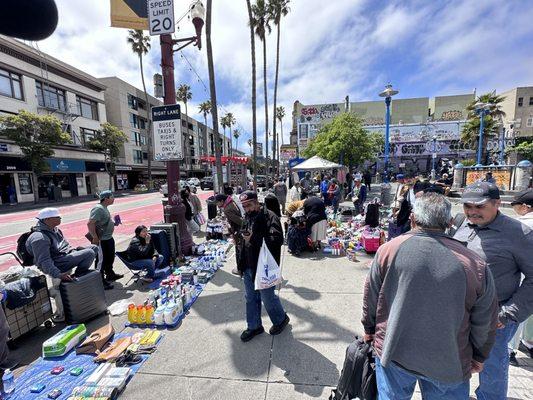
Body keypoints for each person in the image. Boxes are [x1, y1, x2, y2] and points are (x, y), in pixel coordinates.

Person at [363, 193, 498, 399]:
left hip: (394, 351)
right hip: (449, 360)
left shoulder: (388, 250)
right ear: (450, 223)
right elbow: (485, 318)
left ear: (413, 218)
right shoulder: (473, 263)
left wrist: (369, 329)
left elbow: (371, 297)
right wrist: (480, 355)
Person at [453, 182, 533, 399]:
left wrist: (508, 313)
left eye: (479, 206)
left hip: (495, 318)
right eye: (467, 206)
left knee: (493, 370)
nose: (472, 211)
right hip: (459, 315)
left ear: (497, 203)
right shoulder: (462, 224)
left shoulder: (519, 233)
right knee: (455, 366)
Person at [236, 191, 289, 342]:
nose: (247, 209)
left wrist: (254, 237)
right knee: (250, 298)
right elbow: (244, 242)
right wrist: (240, 263)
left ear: (256, 202)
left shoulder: (270, 216)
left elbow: (276, 240)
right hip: (248, 264)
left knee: (268, 297)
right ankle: (254, 326)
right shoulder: (247, 217)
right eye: (244, 206)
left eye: (249, 205)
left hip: (264, 265)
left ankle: (280, 319)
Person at [27, 207, 98, 282]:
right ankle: (78, 275)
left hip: (62, 256)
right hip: (56, 262)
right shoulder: (40, 238)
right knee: (89, 253)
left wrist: (74, 250)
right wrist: (58, 275)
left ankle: (79, 274)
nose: (60, 218)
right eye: (57, 217)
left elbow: (63, 246)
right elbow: (44, 261)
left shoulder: (55, 230)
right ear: (47, 219)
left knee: (94, 247)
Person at [509, 189, 533, 366]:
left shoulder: (519, 225)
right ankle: (529, 343)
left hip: (521, 272)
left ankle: (511, 349)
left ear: (525, 207)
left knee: (517, 309)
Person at [88, 190, 122, 290]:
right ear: (106, 199)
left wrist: (114, 223)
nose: (113, 198)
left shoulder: (104, 208)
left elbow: (103, 222)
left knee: (110, 258)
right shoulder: (98, 208)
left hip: (108, 238)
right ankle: (100, 281)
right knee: (101, 261)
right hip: (101, 240)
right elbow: (90, 223)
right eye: (112, 197)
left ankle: (110, 274)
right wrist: (95, 237)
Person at [216, 193, 244, 276]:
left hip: (238, 232)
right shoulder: (231, 202)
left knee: (239, 251)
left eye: (217, 202)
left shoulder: (227, 209)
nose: (217, 205)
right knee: (240, 250)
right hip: (239, 231)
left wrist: (231, 230)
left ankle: (240, 269)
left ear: (221, 201)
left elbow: (240, 221)